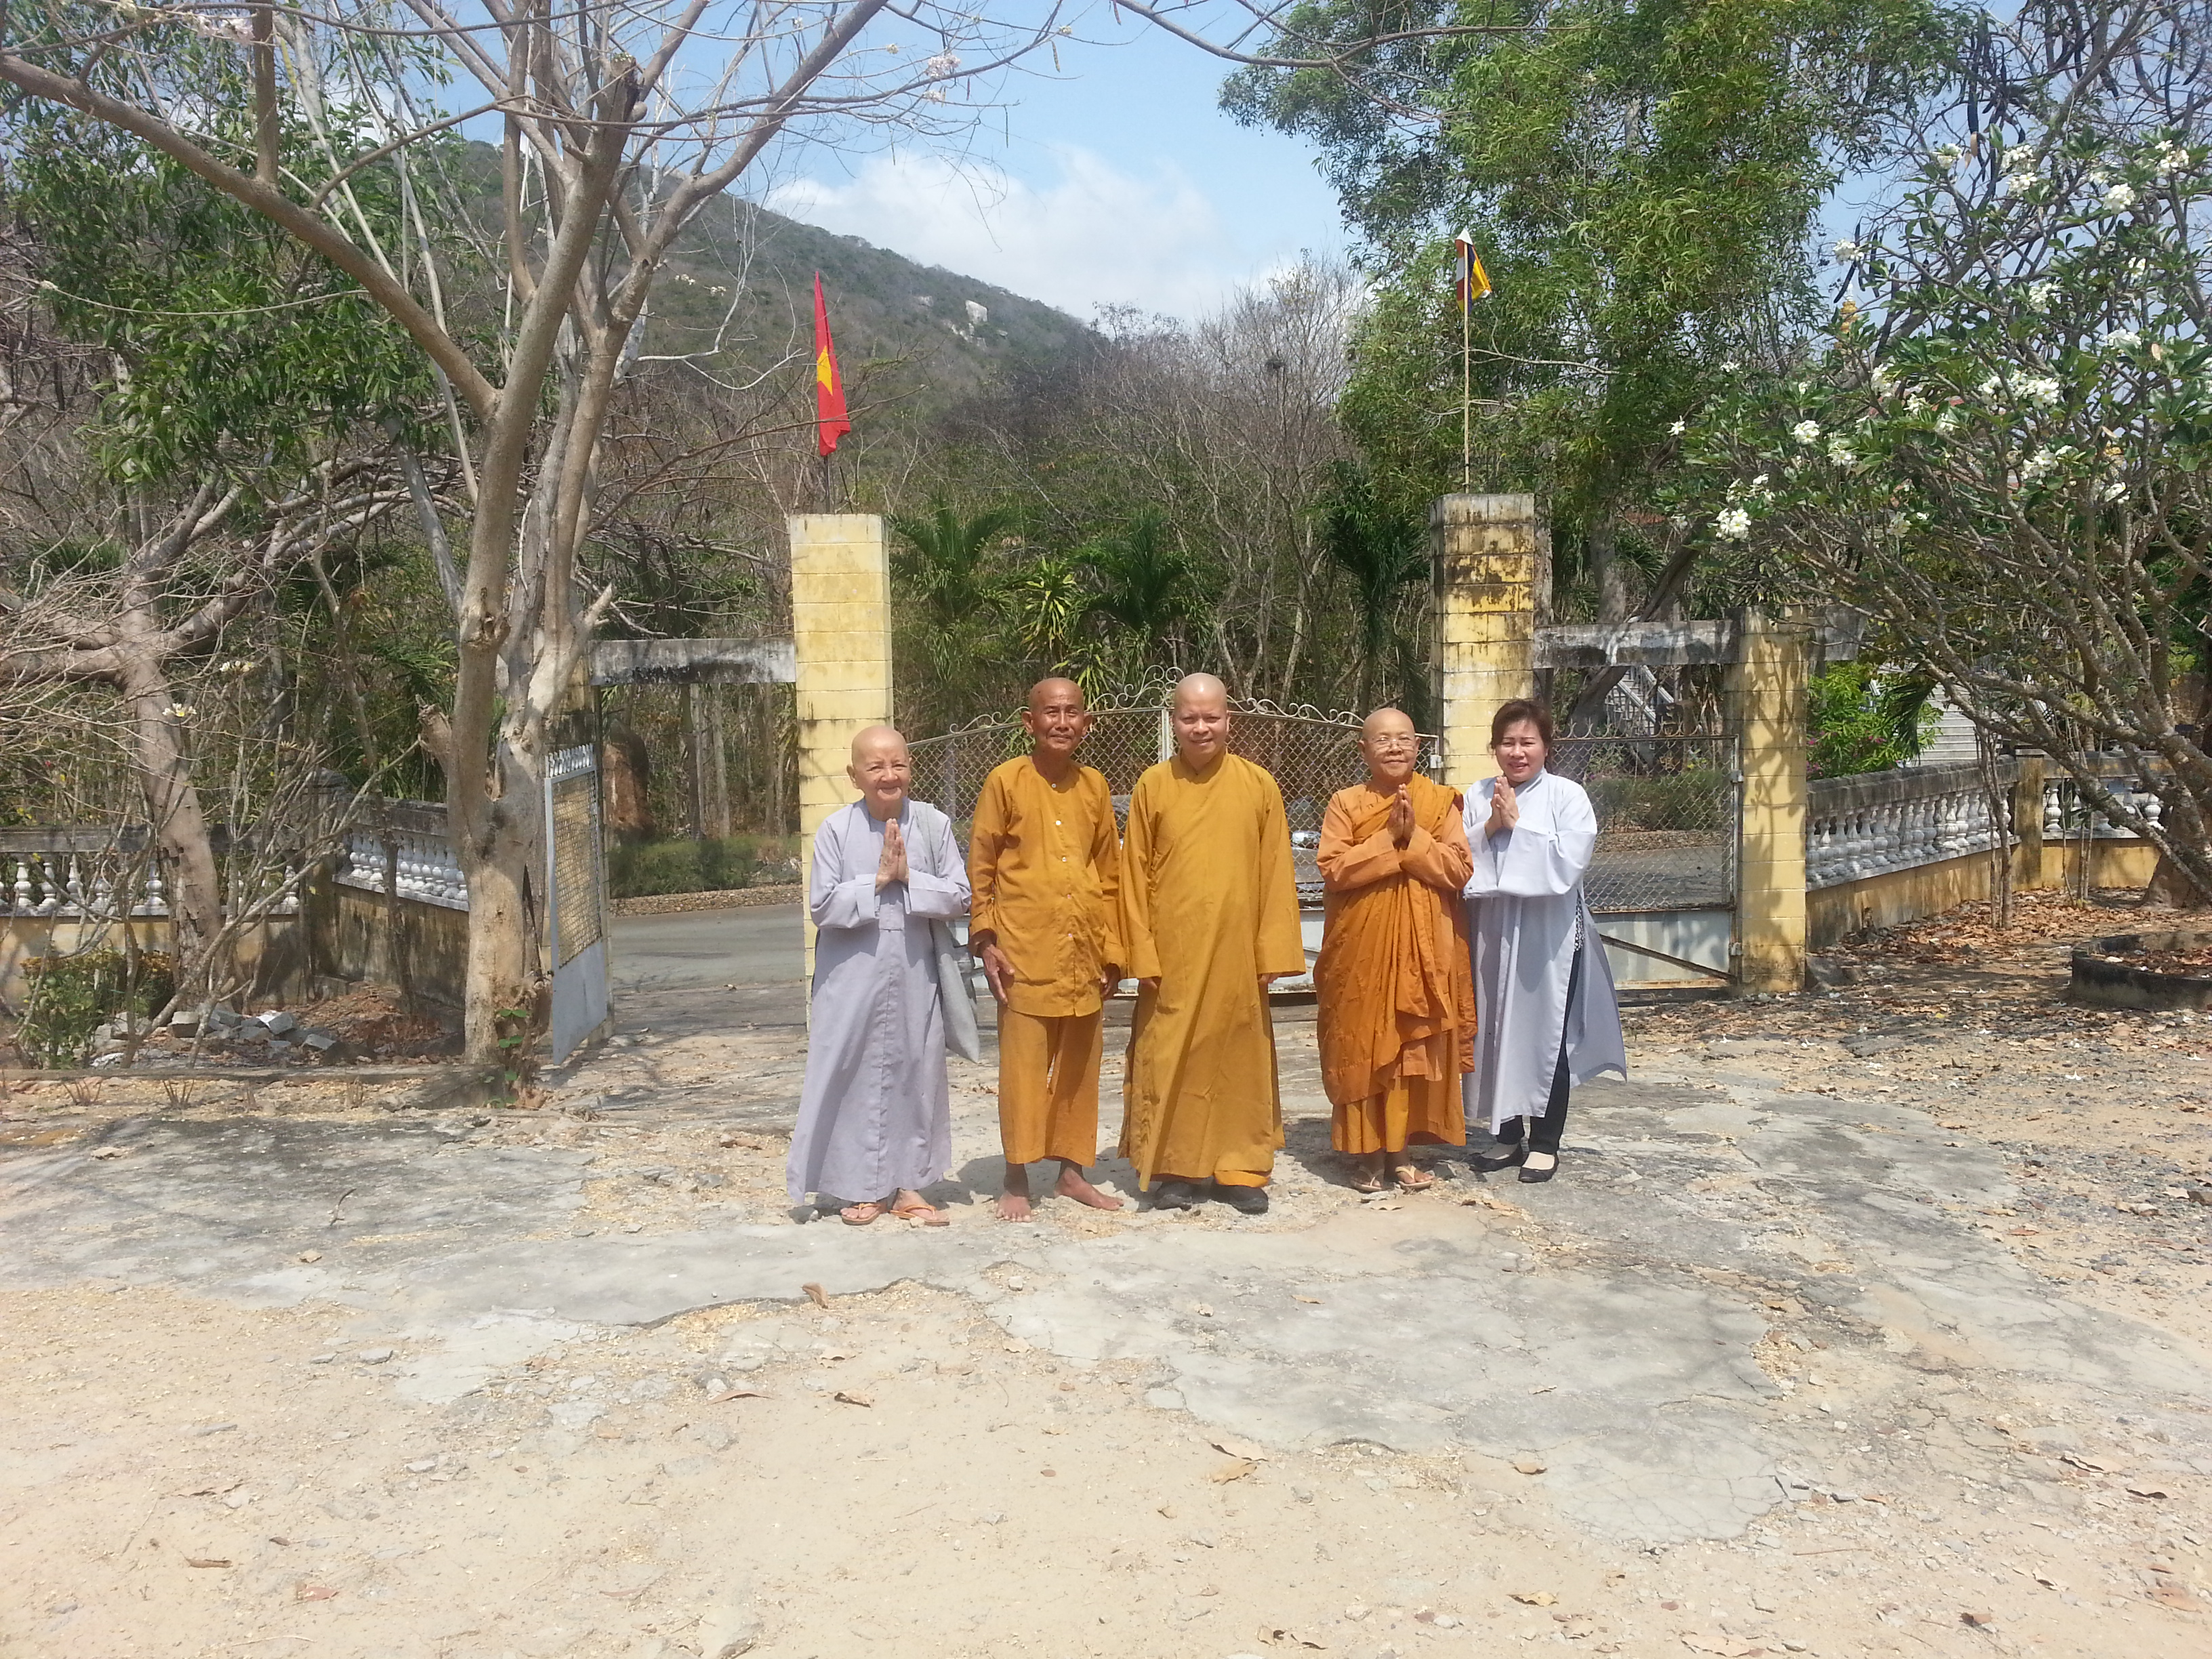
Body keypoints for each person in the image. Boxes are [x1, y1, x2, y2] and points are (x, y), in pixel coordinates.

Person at [1117, 672, 1307, 1214]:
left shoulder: (1258, 785)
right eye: (1189, 718)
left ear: (1229, 720)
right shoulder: (1153, 785)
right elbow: (1133, 874)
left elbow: (1276, 870)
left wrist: (1273, 950)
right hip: (1172, 954)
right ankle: (1177, 1167)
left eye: (1211, 717)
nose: (1201, 727)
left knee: (1237, 1056)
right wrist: (1140, 952)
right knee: (1171, 1056)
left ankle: (1239, 1168)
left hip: (1237, 952)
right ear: (1173, 722)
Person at [786, 725, 971, 1225]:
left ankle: (910, 1185)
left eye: (898, 765)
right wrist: (879, 879)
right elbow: (823, 906)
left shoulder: (932, 825)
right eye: (876, 767)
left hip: (915, 974)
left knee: (916, 1069)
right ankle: (860, 1188)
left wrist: (909, 877)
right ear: (855, 776)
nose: (889, 776)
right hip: (851, 978)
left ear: (911, 769)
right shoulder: (836, 830)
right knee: (850, 1074)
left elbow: (960, 896)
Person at [968, 677, 1127, 1223]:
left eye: (1072, 712)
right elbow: (982, 866)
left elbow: (1109, 873)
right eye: (1051, 712)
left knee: (1080, 1069)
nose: (1062, 722)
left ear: (1087, 723)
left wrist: (1113, 948)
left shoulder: (1095, 786)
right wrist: (986, 939)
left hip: (1083, 951)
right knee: (1023, 1070)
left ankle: (1072, 1173)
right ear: (1029, 721)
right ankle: (1015, 1176)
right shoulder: (1005, 781)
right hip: (1024, 952)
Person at [1460, 699, 1626, 1183]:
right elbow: (1459, 857)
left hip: (1548, 939)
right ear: (1494, 748)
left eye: (1527, 742)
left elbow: (1568, 863)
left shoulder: (1567, 796)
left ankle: (1546, 1142)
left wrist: (1516, 826)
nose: (1517, 752)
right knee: (1495, 1031)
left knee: (1543, 1035)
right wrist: (1491, 825)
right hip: (1492, 932)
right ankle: (1507, 1136)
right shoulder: (1478, 794)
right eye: (1507, 743)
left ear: (1546, 747)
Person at [1314, 708, 1477, 1192]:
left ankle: (1401, 1154)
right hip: (1361, 951)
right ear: (1363, 750)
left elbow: (1458, 870)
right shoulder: (1345, 803)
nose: (1394, 747)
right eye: (1382, 740)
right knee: (1363, 1045)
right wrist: (1388, 838)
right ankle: (1366, 1155)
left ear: (1418, 746)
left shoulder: (1440, 803)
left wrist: (1415, 837)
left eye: (1403, 739)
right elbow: (1334, 869)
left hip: (1422, 950)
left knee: (1409, 1048)